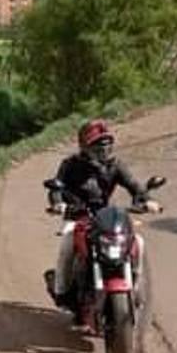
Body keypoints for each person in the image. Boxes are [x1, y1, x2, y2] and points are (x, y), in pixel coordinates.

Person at [45, 120, 154, 315]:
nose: (103, 150)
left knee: (137, 240)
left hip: (105, 216)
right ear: (84, 146)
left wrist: (146, 200)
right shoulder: (70, 165)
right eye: (97, 145)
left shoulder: (116, 165)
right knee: (68, 241)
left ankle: (135, 285)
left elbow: (134, 186)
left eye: (106, 144)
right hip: (77, 215)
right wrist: (58, 204)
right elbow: (57, 188)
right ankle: (61, 291)